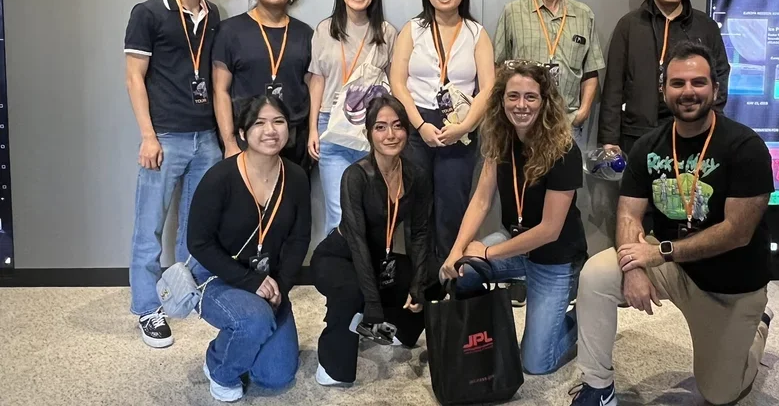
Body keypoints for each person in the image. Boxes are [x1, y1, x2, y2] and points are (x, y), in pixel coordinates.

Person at [571, 41, 774, 406]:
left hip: (730, 285)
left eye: (698, 82)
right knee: (597, 274)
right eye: (678, 83)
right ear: (664, 90)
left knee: (720, 394)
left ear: (715, 88)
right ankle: (597, 386)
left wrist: (659, 252)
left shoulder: (745, 147)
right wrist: (632, 268)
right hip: (671, 266)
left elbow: (737, 233)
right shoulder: (649, 145)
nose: (688, 92)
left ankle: (758, 326)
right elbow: (629, 214)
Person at [441, 60, 586, 375]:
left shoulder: (564, 150)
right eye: (513, 96)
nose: (521, 105)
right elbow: (481, 200)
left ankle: (581, 320)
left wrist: (489, 252)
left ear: (544, 101)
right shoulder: (499, 138)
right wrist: (456, 250)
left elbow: (549, 230)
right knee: (465, 269)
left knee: (535, 364)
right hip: (517, 245)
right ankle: (482, 336)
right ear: (501, 100)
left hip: (554, 259)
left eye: (531, 97)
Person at [123, 0, 223, 348]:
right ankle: (148, 308)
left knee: (197, 224)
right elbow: (134, 77)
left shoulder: (214, 14)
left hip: (207, 136)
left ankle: (184, 294)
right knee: (150, 226)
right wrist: (147, 135)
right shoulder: (147, 13)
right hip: (164, 136)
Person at [187, 95, 311, 402]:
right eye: (259, 123)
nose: (270, 130)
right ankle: (219, 366)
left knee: (275, 376)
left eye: (278, 121)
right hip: (217, 277)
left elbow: (299, 240)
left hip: (268, 281)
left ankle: (244, 336)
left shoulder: (295, 177)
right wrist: (251, 283)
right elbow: (198, 243)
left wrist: (280, 286)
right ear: (242, 133)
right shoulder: (220, 177)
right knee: (254, 320)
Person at [310, 95, 437, 386]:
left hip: (381, 258)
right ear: (369, 133)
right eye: (380, 127)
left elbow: (419, 234)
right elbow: (356, 241)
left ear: (407, 130)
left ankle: (397, 330)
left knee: (429, 276)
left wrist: (417, 284)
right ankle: (332, 365)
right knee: (353, 291)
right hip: (338, 256)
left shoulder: (416, 175)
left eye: (397, 126)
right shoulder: (355, 176)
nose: (390, 135)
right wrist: (372, 303)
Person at [390, 0, 494, 257]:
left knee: (452, 206)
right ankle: (420, 283)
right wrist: (420, 126)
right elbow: (398, 82)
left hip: (460, 127)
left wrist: (465, 127)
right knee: (416, 205)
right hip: (416, 125)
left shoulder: (476, 33)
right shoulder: (413, 29)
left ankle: (449, 276)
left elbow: (487, 87)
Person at [598, 0, 730, 156]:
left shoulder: (705, 26)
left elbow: (720, 73)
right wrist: (609, 138)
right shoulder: (630, 25)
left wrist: (714, 116)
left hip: (692, 130)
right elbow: (614, 83)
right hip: (638, 132)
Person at [307, 0, 397, 237]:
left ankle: (369, 275)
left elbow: (395, 86)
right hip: (330, 127)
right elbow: (317, 79)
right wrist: (313, 128)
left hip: (371, 130)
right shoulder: (325, 29)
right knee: (338, 210)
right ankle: (339, 275)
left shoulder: (386, 32)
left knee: (373, 208)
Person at [493, 0, 604, 137]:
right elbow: (498, 67)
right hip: (523, 125)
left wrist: (583, 112)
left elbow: (591, 72)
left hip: (567, 125)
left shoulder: (583, 14)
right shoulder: (513, 12)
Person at [212, 0, 313, 171]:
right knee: (246, 203)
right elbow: (220, 90)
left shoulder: (305, 33)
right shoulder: (230, 30)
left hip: (294, 139)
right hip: (247, 137)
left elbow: (312, 87)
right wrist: (230, 143)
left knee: (291, 202)